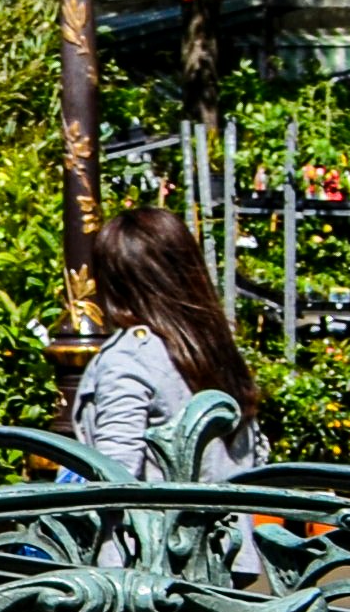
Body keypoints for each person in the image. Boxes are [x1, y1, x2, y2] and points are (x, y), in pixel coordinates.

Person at [71, 204, 264, 482]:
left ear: (114, 282)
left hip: (163, 523)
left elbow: (115, 473)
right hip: (228, 524)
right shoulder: (212, 348)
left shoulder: (129, 357)